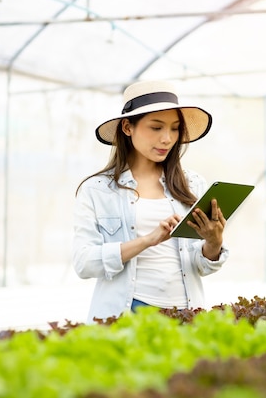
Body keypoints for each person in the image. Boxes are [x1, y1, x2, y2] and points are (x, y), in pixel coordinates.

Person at [72, 80, 229, 323]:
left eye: (175, 128)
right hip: (128, 313)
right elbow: (84, 263)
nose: (167, 138)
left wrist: (214, 242)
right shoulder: (98, 190)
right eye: (156, 127)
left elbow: (202, 265)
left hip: (186, 313)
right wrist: (147, 240)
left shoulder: (193, 184)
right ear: (127, 127)